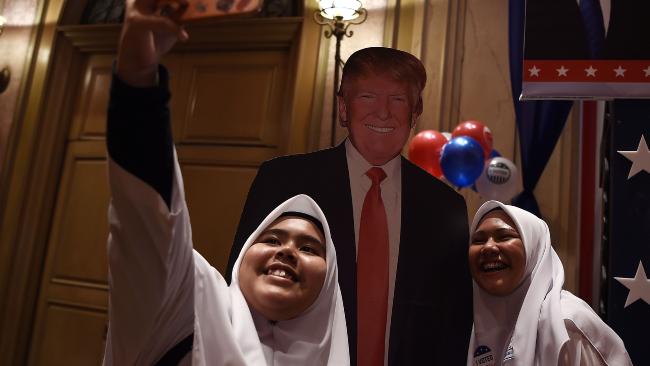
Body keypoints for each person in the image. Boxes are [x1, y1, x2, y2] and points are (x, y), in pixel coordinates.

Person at [104, 1, 349, 364]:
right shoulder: (189, 308)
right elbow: (150, 221)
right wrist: (139, 77)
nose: (287, 251)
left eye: (310, 248)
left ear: (329, 284)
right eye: (271, 238)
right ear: (244, 255)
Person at [227, 47, 473, 365]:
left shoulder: (446, 207)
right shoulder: (284, 181)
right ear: (344, 108)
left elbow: (455, 322)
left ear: (415, 112)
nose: (383, 113)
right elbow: (240, 291)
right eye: (368, 97)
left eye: (397, 99)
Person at [467, 200, 632, 366]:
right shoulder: (469, 326)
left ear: (534, 248)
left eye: (504, 236)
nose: (488, 247)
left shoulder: (567, 325)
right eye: (478, 240)